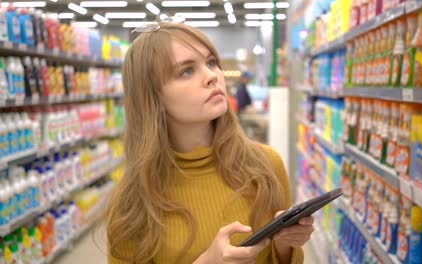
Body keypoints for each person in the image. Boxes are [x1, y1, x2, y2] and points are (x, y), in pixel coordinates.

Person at [106, 18, 314, 264]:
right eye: (186, 71)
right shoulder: (134, 200)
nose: (212, 76)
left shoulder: (266, 163)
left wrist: (284, 245)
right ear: (154, 97)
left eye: (211, 62)